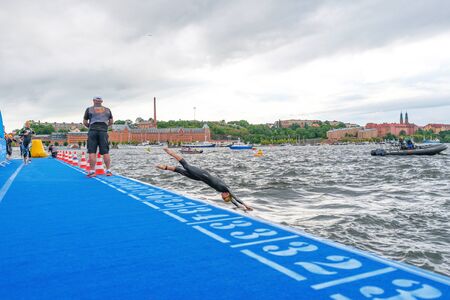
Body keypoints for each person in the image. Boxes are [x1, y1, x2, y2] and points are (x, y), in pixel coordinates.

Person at [157, 148, 253, 211]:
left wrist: (241, 208)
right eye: (224, 196)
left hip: (200, 178)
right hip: (203, 174)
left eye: (223, 197)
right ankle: (170, 152)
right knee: (186, 165)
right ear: (227, 194)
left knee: (180, 171)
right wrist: (245, 205)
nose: (222, 196)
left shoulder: (226, 193)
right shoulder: (226, 189)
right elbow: (236, 198)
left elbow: (233, 201)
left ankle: (164, 167)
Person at [83, 96, 114, 177]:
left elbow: (85, 121)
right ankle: (108, 171)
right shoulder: (107, 110)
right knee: (105, 152)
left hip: (92, 130)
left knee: (92, 151)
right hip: (103, 131)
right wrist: (105, 126)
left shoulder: (89, 109)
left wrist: (90, 126)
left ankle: (92, 172)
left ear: (93, 101)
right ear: (102, 101)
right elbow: (111, 121)